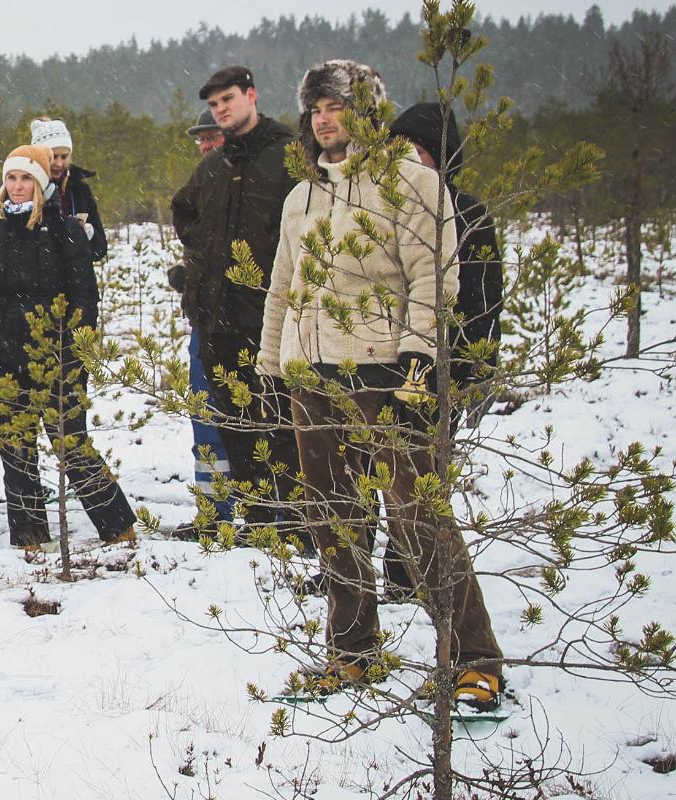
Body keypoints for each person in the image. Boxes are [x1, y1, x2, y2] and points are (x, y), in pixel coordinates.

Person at [259, 60, 504, 711]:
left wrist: (419, 369)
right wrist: (270, 368)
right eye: (315, 109)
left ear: (366, 112)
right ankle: (352, 650)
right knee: (335, 519)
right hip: (313, 375)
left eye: (336, 106)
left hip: (389, 373)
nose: (323, 119)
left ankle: (475, 657)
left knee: (420, 519)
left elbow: (435, 280)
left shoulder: (412, 183)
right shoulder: (302, 196)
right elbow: (283, 289)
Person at [0, 144, 137, 548]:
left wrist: (76, 352)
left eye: (25, 178)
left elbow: (84, 299)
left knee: (71, 444)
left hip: (59, 359)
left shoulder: (65, 231)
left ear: (40, 184)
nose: (17, 186)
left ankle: (117, 527)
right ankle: (29, 536)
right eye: (11, 178)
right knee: (15, 450)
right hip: (4, 359)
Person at [378, 101, 508, 600]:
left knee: (422, 475)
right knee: (376, 468)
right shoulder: (382, 205)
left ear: (440, 156)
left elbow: (483, 296)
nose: (404, 158)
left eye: (415, 149)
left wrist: (476, 367)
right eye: (396, 148)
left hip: (442, 363)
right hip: (384, 358)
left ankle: (406, 570)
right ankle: (361, 565)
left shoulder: (468, 211)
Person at [171, 65, 302, 533]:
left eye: (228, 99)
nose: (221, 109)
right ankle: (259, 521)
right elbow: (184, 214)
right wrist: (202, 275)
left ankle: (297, 525)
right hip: (218, 322)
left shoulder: (289, 155)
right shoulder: (214, 166)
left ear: (252, 95)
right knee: (235, 427)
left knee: (283, 426)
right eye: (213, 103)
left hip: (273, 320)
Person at [169, 107, 237, 539]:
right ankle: (215, 515)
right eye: (202, 138)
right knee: (206, 420)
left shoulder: (254, 185)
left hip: (246, 325)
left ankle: (272, 516)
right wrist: (190, 276)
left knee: (254, 422)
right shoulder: (203, 184)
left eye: (213, 136)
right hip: (206, 323)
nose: (206, 145)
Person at [29, 118, 107, 261]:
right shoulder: (23, 189)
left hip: (74, 279)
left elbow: (99, 250)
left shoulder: (80, 190)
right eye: (53, 157)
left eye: (64, 156)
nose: (59, 163)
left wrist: (87, 233)